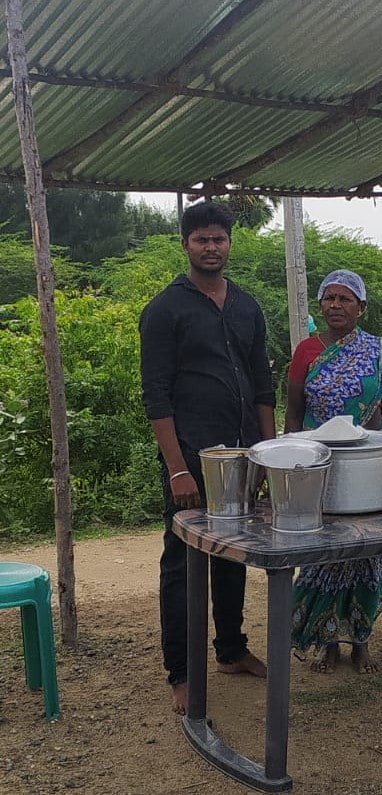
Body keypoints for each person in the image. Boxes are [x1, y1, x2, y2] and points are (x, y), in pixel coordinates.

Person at [139, 200, 276, 714]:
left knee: (234, 552)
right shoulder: (165, 310)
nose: (211, 248)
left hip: (243, 457)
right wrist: (176, 467)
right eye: (201, 240)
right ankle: (181, 671)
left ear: (229, 243)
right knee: (182, 563)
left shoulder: (246, 306)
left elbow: (263, 386)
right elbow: (157, 396)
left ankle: (231, 650)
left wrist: (267, 455)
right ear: (186, 244)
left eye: (219, 239)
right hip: (191, 461)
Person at [284, 269, 382, 674]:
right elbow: (294, 413)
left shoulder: (381, 352)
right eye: (329, 298)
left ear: (361, 308)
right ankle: (327, 640)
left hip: (368, 465)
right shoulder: (305, 352)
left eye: (345, 299)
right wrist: (289, 466)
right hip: (320, 466)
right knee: (324, 553)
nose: (336, 305)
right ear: (320, 306)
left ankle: (361, 640)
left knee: (370, 554)